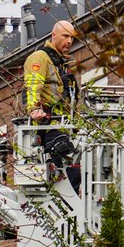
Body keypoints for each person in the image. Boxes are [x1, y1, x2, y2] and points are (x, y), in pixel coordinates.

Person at [24, 20, 81, 193]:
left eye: (71, 37)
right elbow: (33, 85)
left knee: (73, 172)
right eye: (65, 36)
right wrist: (34, 109)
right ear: (53, 35)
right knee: (68, 172)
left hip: (63, 126)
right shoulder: (40, 58)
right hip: (49, 127)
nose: (69, 41)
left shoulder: (61, 64)